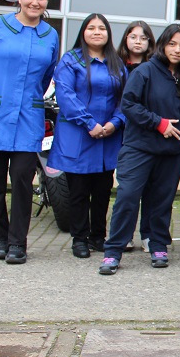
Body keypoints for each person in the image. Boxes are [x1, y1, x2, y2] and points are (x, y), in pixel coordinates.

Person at [0, 0, 60, 264]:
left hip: (27, 117)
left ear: (47, 3)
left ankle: (17, 243)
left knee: (22, 178)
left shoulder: (50, 35)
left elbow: (47, 76)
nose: (35, 2)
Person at [98, 24, 180, 275]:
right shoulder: (145, 71)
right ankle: (113, 251)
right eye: (172, 44)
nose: (177, 50)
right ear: (162, 44)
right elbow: (128, 105)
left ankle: (158, 245)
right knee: (128, 197)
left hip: (173, 153)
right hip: (139, 148)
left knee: (162, 201)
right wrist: (158, 122)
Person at [48, 13, 127, 259]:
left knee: (103, 190)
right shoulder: (71, 61)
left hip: (108, 136)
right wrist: (89, 123)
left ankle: (97, 236)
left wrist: (115, 123)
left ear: (108, 34)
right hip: (79, 134)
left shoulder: (117, 63)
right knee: (79, 190)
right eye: (91, 28)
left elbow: (125, 98)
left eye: (101, 28)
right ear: (83, 32)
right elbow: (66, 95)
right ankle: (79, 238)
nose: (96, 32)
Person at [116, 20, 156, 252]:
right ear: (126, 40)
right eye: (133, 36)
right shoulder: (116, 66)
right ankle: (124, 235)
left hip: (147, 133)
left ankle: (148, 234)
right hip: (119, 131)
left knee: (150, 187)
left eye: (143, 37)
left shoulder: (156, 67)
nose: (138, 41)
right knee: (128, 189)